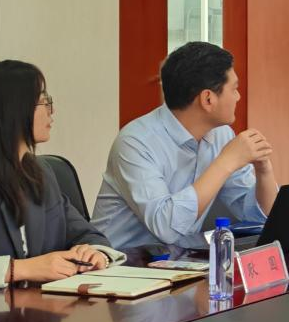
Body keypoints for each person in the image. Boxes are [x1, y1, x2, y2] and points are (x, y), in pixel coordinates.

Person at [0, 61, 124, 289]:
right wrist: (19, 269)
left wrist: (94, 252)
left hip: (42, 307)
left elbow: (86, 234)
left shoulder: (41, 172)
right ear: (11, 112)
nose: (51, 110)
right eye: (42, 101)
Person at [92, 42, 279, 252]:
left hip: (180, 259)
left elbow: (256, 216)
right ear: (208, 99)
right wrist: (225, 163)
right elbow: (166, 227)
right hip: (121, 262)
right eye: (234, 89)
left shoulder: (221, 134)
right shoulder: (135, 142)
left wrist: (264, 171)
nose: (238, 97)